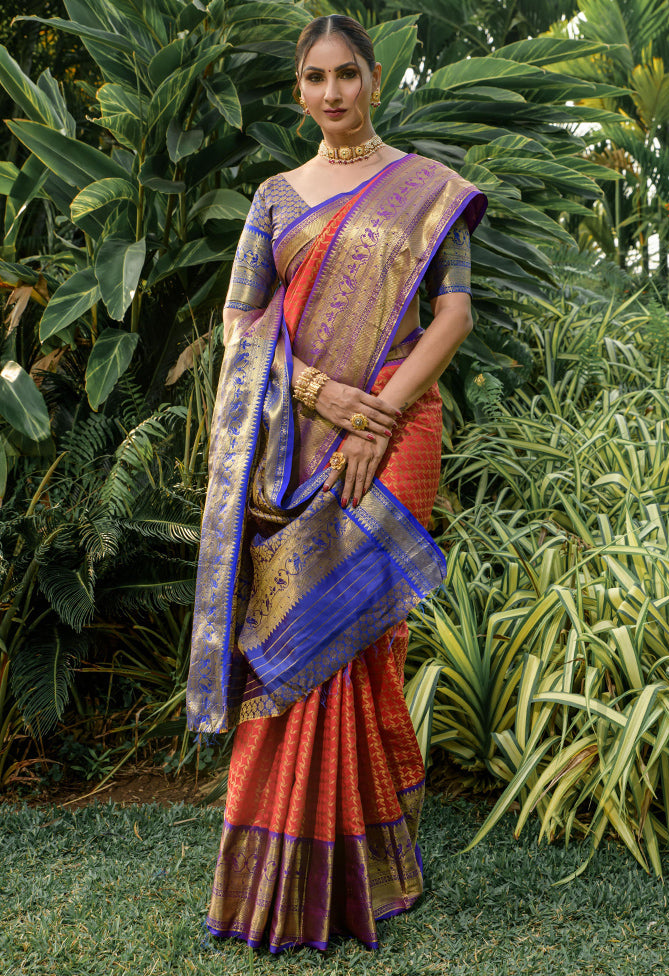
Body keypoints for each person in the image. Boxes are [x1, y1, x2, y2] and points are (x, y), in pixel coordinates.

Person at [186, 13, 486, 954]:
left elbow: (456, 312)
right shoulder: (276, 199)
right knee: (295, 639)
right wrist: (324, 395)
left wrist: (379, 413)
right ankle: (298, 865)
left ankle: (363, 864)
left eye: (345, 75)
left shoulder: (427, 192)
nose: (330, 94)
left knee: (360, 638)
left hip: (398, 427)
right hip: (296, 439)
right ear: (299, 89)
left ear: (374, 77)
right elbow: (242, 329)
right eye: (313, 78)